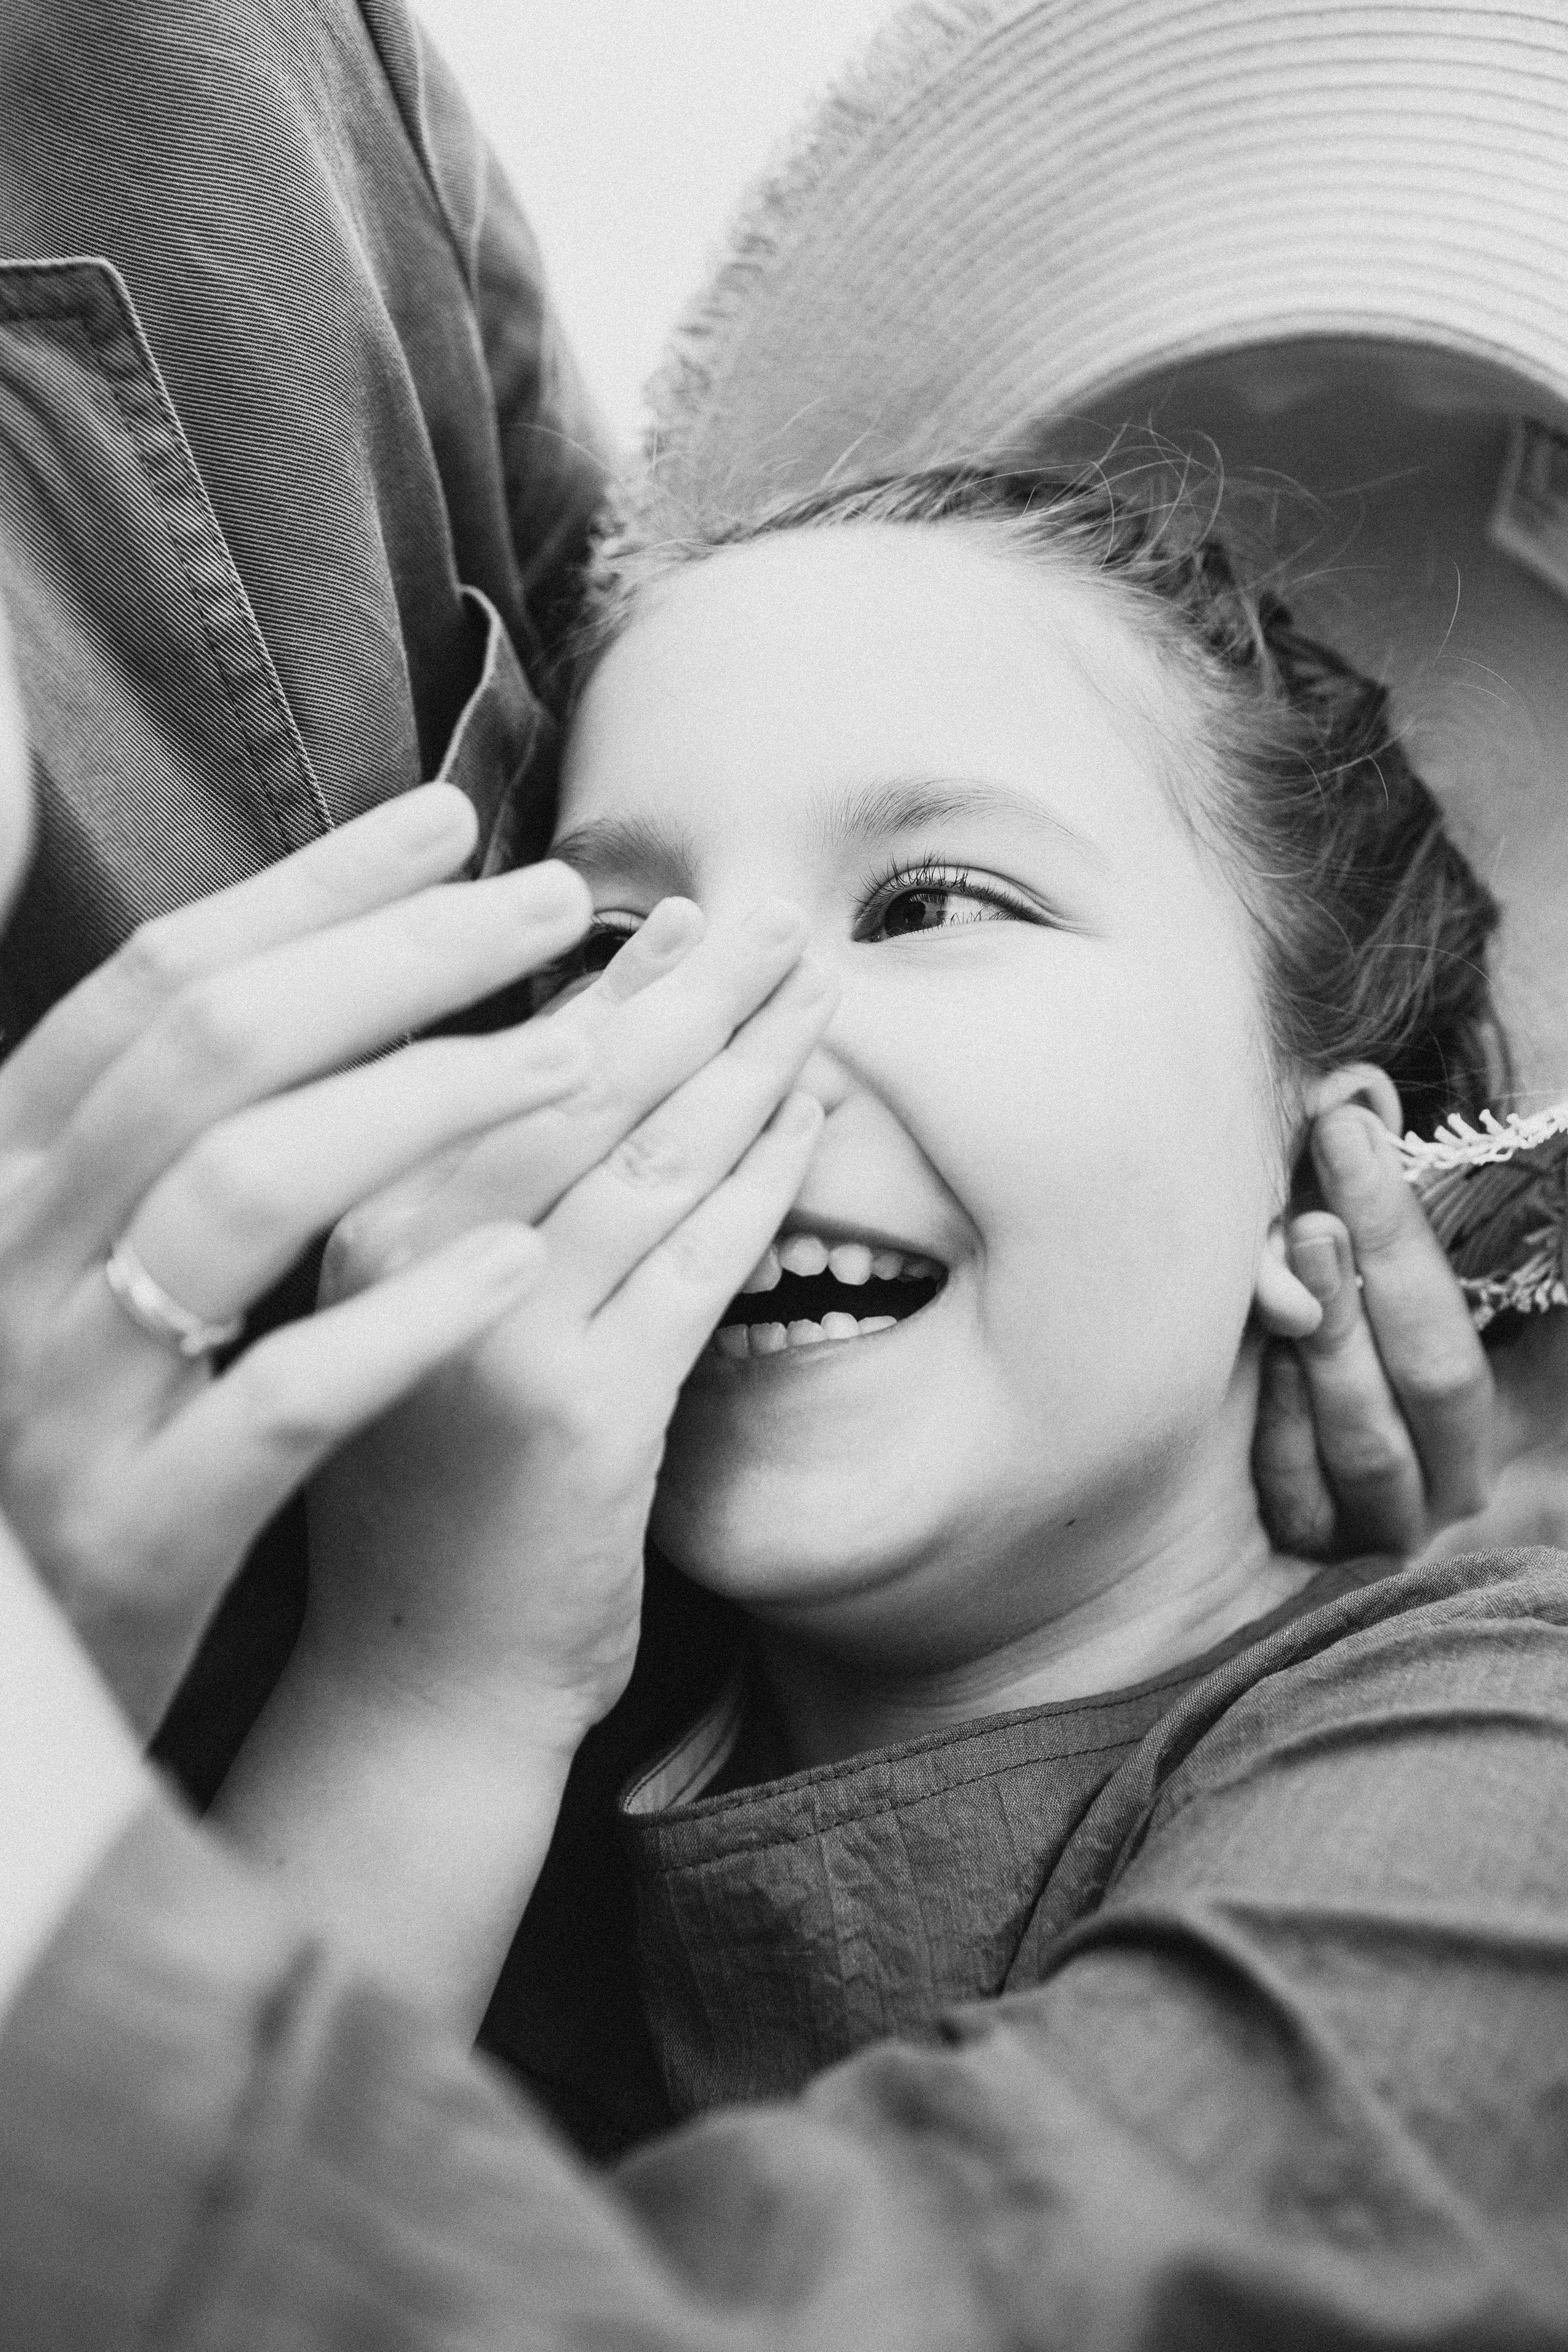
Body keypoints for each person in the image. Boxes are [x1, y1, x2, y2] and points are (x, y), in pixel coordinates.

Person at [6, 451, 1566, 2351]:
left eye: (928, 902)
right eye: (606, 945)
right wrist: (428, 1681)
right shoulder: (585, 1798)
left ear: (1327, 1180)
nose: (718, 1038)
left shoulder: (1525, 1760)